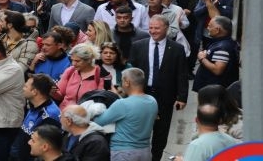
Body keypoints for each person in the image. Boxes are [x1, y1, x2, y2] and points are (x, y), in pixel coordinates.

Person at [128, 15, 188, 161]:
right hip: (142, 94)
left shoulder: (176, 49)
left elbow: (181, 74)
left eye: (157, 28)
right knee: (139, 128)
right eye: (151, 28)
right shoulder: (138, 46)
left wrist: (182, 97)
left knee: (161, 132)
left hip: (165, 97)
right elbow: (131, 71)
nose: (153, 31)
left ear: (166, 28)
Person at [94, 68, 159, 161]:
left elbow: (99, 121)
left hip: (123, 152)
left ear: (127, 82)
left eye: (122, 81)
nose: (121, 84)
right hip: (145, 152)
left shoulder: (122, 104)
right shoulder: (152, 101)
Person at [11, 74, 61, 161]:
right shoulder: (34, 105)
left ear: (34, 92)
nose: (23, 88)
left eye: (25, 86)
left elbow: (45, 150)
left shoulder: (50, 116)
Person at [52, 43, 109, 110]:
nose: (73, 64)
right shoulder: (70, 71)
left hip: (86, 115)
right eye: (72, 60)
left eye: (77, 61)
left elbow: (100, 101)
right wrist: (53, 92)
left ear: (88, 60)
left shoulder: (100, 74)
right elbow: (60, 95)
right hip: (65, 113)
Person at [192, 16, 239, 91]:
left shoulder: (223, 47)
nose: (207, 28)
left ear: (217, 30)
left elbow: (218, 70)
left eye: (210, 26)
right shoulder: (220, 42)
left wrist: (202, 58)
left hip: (214, 91)